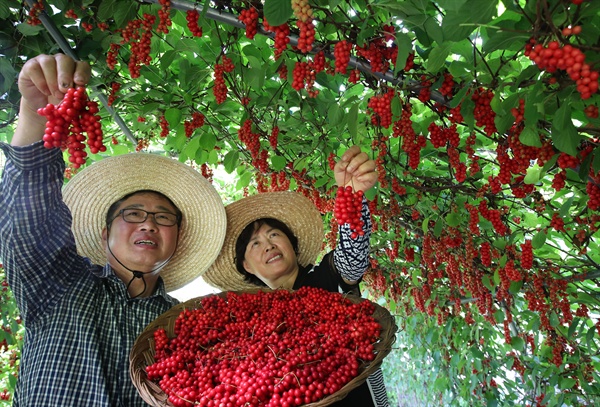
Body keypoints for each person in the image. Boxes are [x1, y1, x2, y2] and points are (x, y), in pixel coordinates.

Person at [0, 53, 227, 406]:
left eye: (164, 217)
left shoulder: (183, 326)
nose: (149, 223)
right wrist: (34, 116)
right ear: (105, 234)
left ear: (176, 237)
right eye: (133, 213)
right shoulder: (57, 284)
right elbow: (27, 222)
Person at [202, 146, 390, 407]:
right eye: (255, 244)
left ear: (292, 244)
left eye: (274, 235)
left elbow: (352, 257)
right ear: (246, 265)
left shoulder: (326, 275)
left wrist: (352, 198)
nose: (268, 245)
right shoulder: (252, 319)